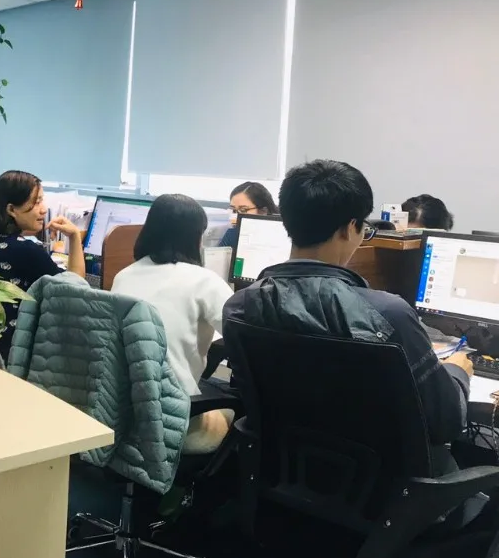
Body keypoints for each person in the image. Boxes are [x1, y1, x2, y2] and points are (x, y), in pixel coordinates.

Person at [224, 160, 471, 476]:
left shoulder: (240, 306)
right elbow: (446, 421)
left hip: (286, 479)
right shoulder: (387, 315)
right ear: (350, 227)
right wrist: (457, 370)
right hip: (385, 492)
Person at [111, 194, 234, 453]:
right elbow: (244, 340)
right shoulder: (205, 281)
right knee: (241, 414)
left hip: (124, 415)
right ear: (195, 238)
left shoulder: (123, 276)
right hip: (174, 419)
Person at [0, 170, 83, 362]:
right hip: (5, 358)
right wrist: (74, 237)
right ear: (11, 209)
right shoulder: (25, 250)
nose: (43, 209)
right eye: (36, 202)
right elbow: (75, 289)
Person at [218, 181, 278, 248]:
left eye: (243, 210)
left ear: (263, 211)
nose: (236, 216)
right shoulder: (232, 233)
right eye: (233, 210)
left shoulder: (280, 235)